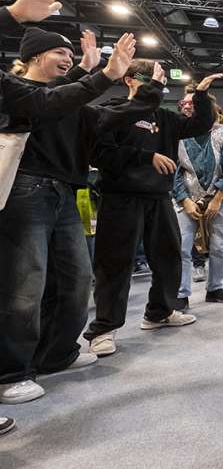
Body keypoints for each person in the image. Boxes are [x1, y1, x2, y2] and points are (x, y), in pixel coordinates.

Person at [0, 24, 148, 406]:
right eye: (58, 53)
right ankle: (12, 372)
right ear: (34, 56)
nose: (67, 59)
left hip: (68, 192)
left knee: (77, 278)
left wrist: (141, 89)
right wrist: (99, 73)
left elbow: (80, 106)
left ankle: (57, 352)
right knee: (24, 286)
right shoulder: (21, 93)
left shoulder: (67, 98)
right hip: (26, 190)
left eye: (70, 54)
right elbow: (48, 102)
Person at [83, 63, 219, 357]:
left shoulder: (164, 117)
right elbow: (100, 154)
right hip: (121, 196)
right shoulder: (112, 111)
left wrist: (200, 95)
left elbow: (199, 125)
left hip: (158, 196)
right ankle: (104, 328)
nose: (157, 83)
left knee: (169, 257)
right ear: (129, 80)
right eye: (150, 79)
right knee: (115, 263)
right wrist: (145, 157)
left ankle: (160, 311)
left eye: (160, 79)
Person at [172, 92, 223, 304]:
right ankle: (181, 294)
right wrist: (184, 199)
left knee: (220, 245)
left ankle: (215, 287)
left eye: (193, 103)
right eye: (184, 103)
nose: (187, 107)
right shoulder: (176, 134)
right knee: (181, 245)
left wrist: (217, 199)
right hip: (187, 196)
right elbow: (174, 171)